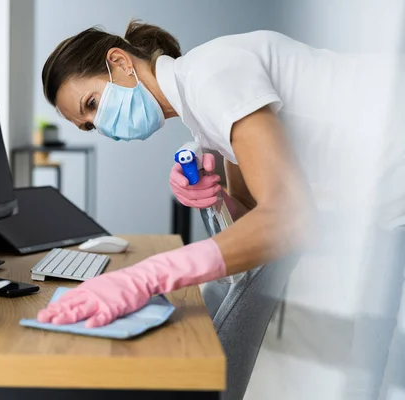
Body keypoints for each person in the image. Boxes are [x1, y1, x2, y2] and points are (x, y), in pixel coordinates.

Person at [37, 20, 405, 400]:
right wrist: (218, 199)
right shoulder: (202, 120)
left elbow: (289, 221)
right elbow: (255, 217)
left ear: (120, 61)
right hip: (388, 206)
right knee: (370, 361)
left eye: (92, 104)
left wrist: (147, 277)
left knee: (370, 361)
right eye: (88, 125)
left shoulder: (211, 74)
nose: (101, 125)